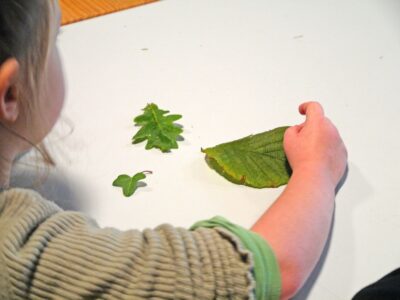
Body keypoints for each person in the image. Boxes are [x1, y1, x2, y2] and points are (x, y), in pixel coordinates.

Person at [0, 1, 347, 299]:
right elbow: (263, 271)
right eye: (56, 38)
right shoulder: (19, 252)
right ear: (10, 94)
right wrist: (316, 168)